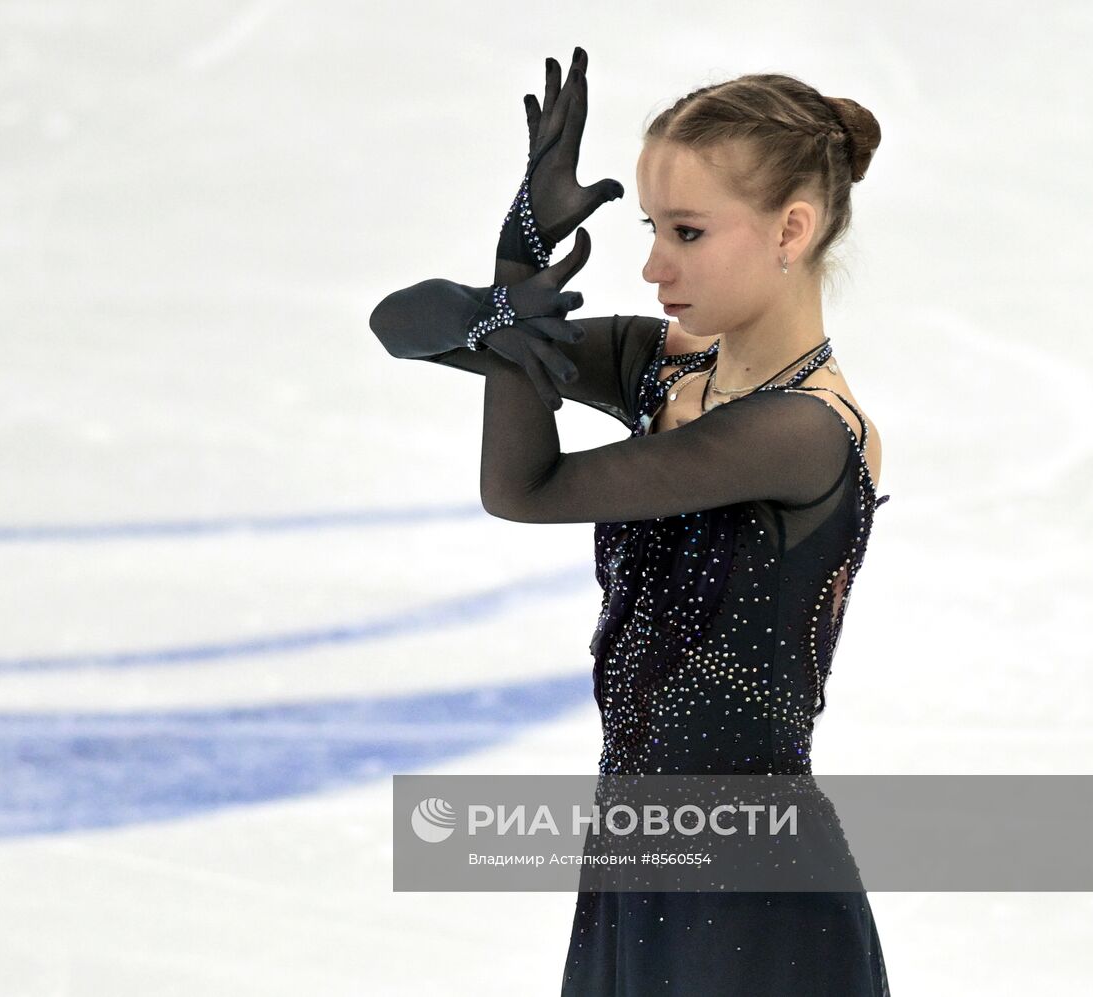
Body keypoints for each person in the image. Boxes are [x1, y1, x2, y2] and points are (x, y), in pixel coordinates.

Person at [368, 48, 892, 995]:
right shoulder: (664, 366)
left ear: (792, 229)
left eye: (687, 232)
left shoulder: (802, 433)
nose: (653, 266)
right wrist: (513, 265)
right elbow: (397, 327)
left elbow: (525, 488)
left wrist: (510, 317)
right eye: (651, 228)